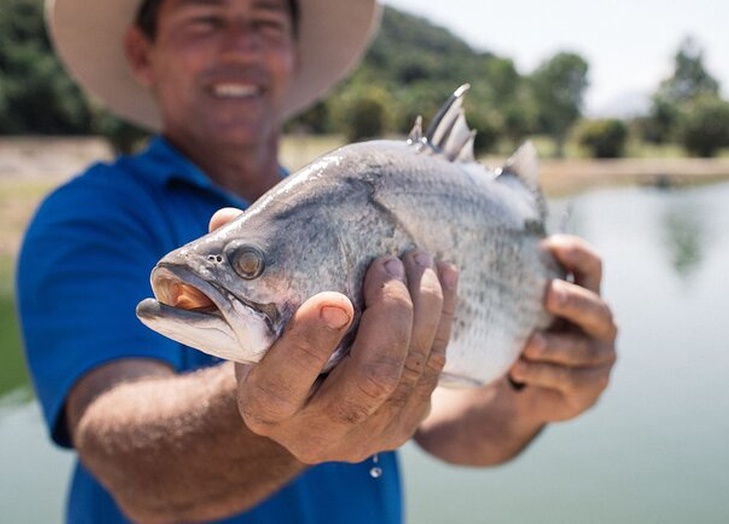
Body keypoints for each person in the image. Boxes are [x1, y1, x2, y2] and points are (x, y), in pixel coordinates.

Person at [16, 0, 618, 522]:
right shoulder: (89, 216)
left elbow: (446, 425)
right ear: (142, 52)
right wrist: (266, 409)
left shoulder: (324, 201)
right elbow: (124, 457)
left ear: (294, 54)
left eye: (266, 21)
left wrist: (535, 395)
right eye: (205, 18)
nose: (241, 45)